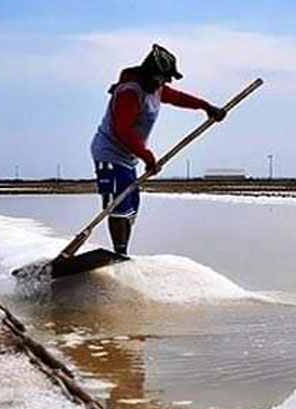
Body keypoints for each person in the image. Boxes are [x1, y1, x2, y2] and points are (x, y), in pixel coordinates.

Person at [89, 44, 226, 259]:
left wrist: (206, 107)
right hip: (110, 153)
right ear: (151, 74)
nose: (166, 82)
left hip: (129, 157)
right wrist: (147, 156)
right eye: (164, 77)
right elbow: (122, 129)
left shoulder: (156, 89)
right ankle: (120, 254)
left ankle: (122, 253)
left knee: (131, 206)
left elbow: (179, 97)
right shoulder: (130, 92)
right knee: (118, 204)